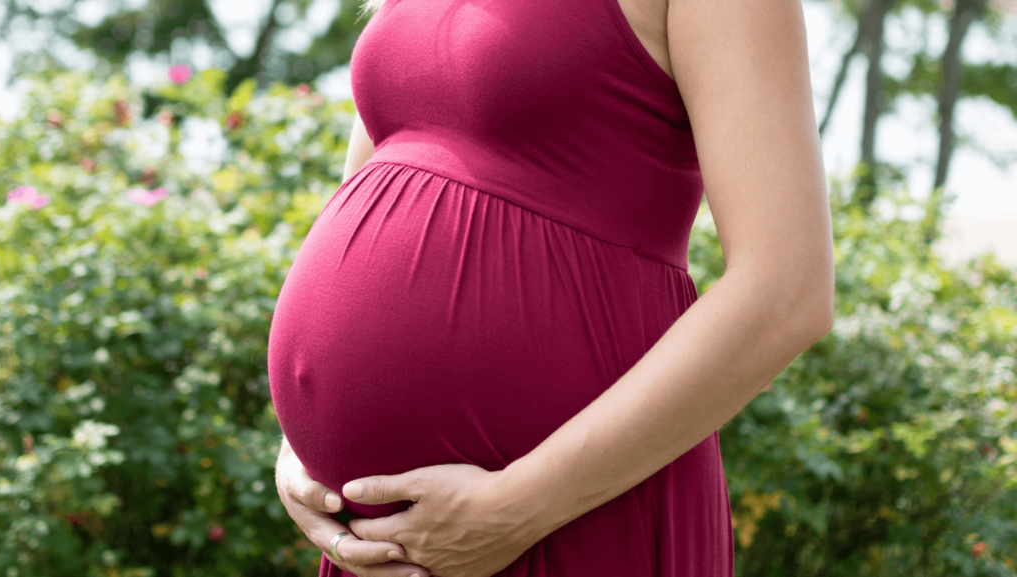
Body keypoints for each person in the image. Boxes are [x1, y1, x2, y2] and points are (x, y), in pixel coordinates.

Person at [267, 0, 834, 573]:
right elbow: (371, 192)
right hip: (379, 535)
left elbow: (786, 291)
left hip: (568, 512)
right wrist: (304, 452)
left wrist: (517, 508)